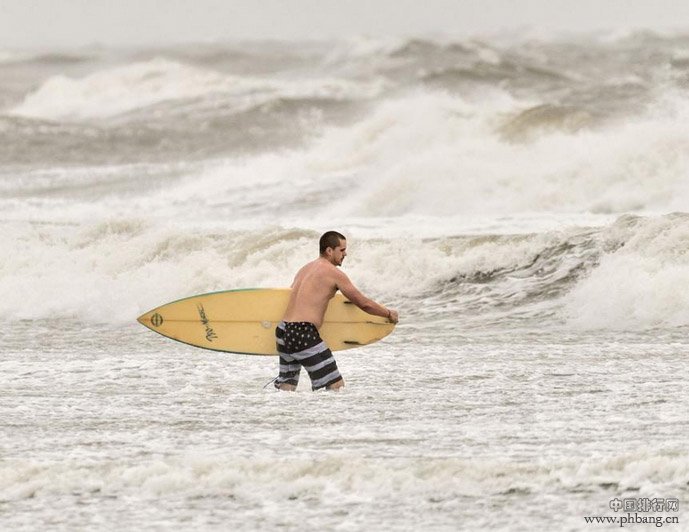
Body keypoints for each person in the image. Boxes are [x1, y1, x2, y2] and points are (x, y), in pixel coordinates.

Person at [274, 231, 399, 391]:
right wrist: (388, 314)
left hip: (283, 331)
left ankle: (279, 413)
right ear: (329, 250)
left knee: (287, 387)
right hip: (302, 333)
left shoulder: (305, 269)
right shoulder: (334, 273)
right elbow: (364, 303)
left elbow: (292, 295)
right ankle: (322, 417)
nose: (345, 254)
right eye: (342, 250)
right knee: (335, 385)